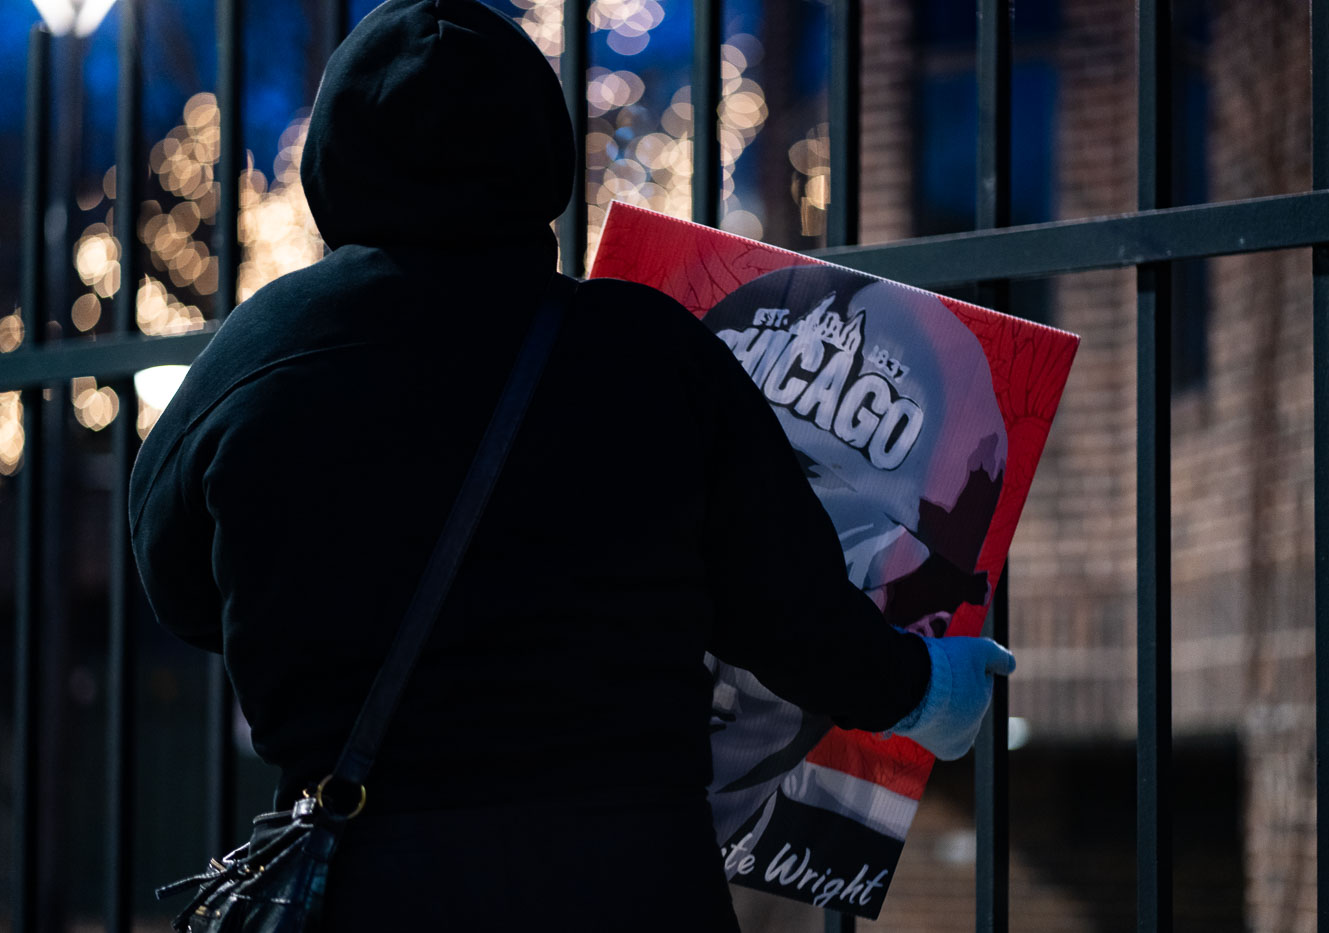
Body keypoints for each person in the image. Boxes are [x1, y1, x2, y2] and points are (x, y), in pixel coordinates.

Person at [128, 1, 1013, 930]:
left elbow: (177, 580)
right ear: (539, 154)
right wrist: (925, 689)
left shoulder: (257, 352)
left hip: (371, 876)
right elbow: (789, 609)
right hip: (628, 875)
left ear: (334, 159)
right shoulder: (648, 353)